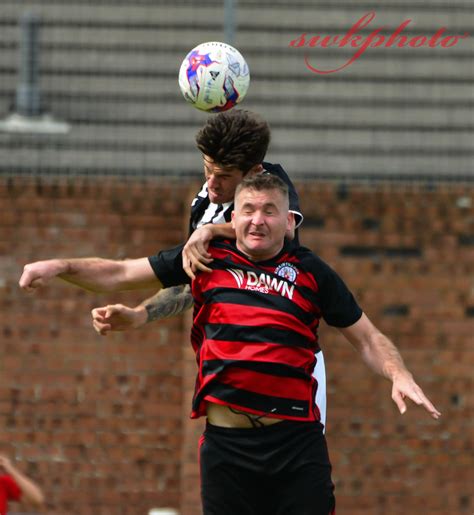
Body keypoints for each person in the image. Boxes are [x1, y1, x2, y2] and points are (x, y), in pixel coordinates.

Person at [19, 174, 440, 515]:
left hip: (295, 443)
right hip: (227, 448)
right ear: (231, 218)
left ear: (290, 221)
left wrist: (397, 372)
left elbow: (366, 336)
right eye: (248, 210)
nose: (257, 220)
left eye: (270, 211)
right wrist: (60, 266)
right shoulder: (205, 259)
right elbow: (119, 273)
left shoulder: (312, 272)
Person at [81, 108, 329, 431]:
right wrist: (141, 314)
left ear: (252, 172)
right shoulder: (203, 203)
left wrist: (212, 231)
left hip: (287, 365)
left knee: (298, 477)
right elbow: (193, 278)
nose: (212, 183)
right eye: (207, 169)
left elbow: (287, 228)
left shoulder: (271, 184)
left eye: (223, 175)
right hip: (228, 367)